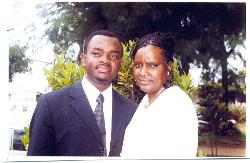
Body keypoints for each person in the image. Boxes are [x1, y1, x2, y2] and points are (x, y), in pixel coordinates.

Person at [27, 30, 137, 156]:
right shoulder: (51, 104)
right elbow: (36, 157)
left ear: (120, 63)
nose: (105, 60)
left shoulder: (132, 111)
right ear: (83, 59)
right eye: (97, 53)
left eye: (113, 56)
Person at [121, 32, 198, 158]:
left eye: (153, 65)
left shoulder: (177, 104)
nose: (143, 72)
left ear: (168, 66)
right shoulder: (147, 100)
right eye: (138, 65)